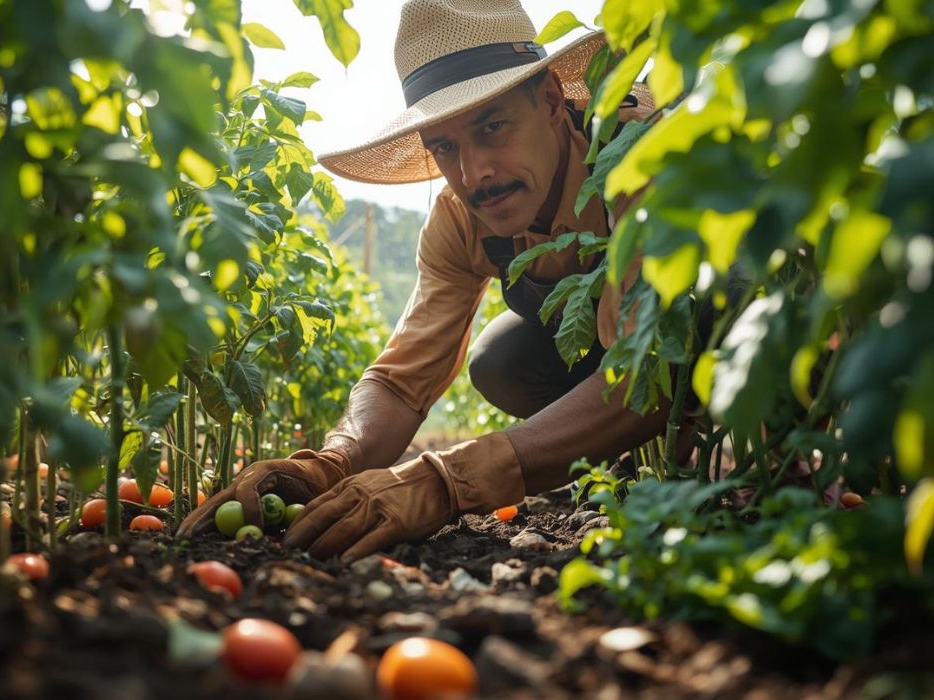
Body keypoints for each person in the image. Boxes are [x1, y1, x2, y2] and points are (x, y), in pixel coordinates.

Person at [178, 0, 671, 559]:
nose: (472, 173)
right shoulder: (460, 221)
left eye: (493, 127)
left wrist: (447, 480)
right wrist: (330, 463)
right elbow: (402, 378)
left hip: (715, 343)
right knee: (502, 363)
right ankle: (622, 469)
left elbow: (649, 363)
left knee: (714, 304)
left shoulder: (634, 154)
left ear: (554, 102)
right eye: (444, 147)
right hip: (620, 372)